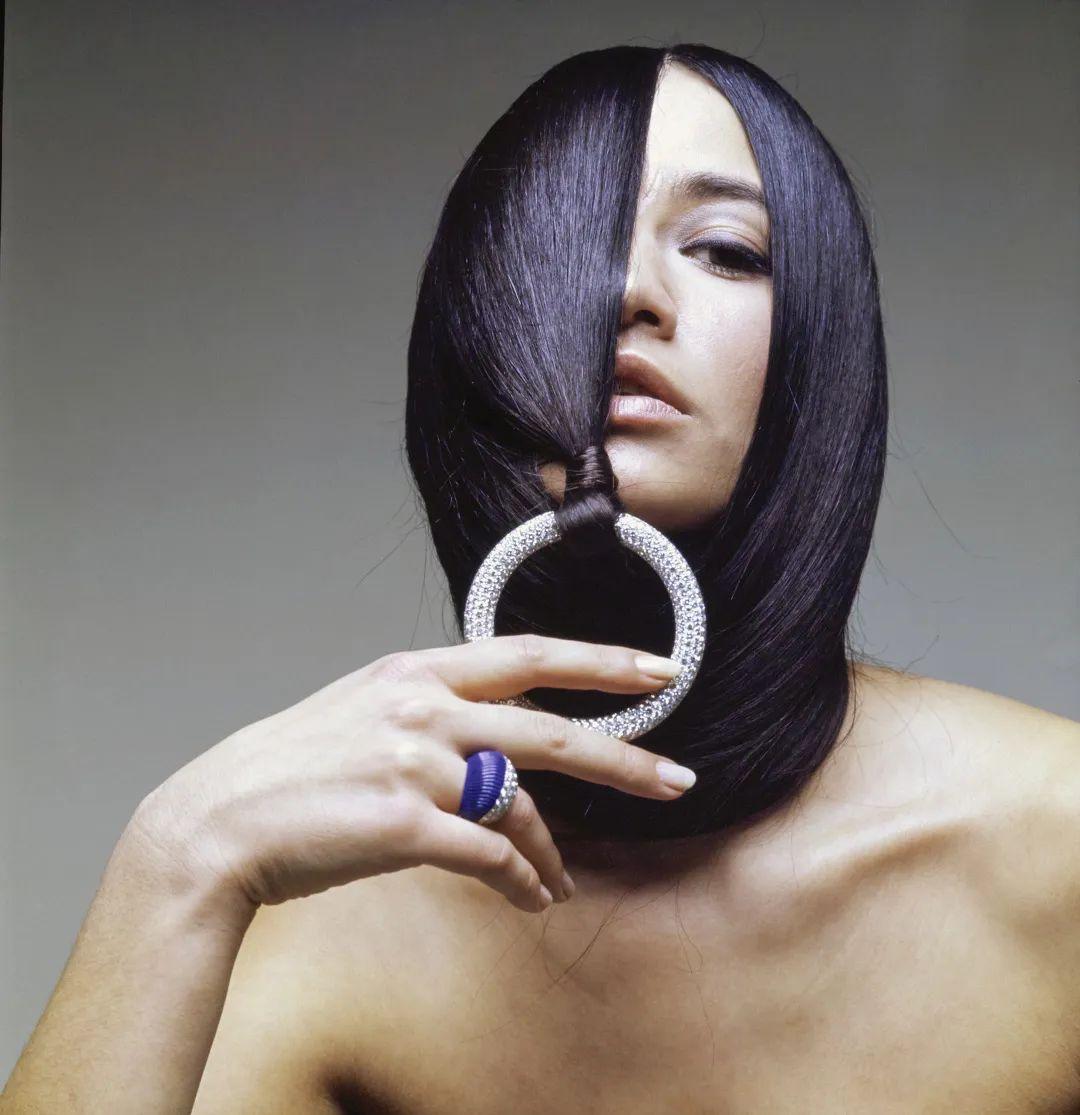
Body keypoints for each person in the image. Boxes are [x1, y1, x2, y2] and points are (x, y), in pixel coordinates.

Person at [3, 43, 1078, 1115]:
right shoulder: (335, 925)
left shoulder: (1055, 838)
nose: (627, 291)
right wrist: (180, 853)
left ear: (823, 339)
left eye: (722, 248)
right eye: (558, 252)